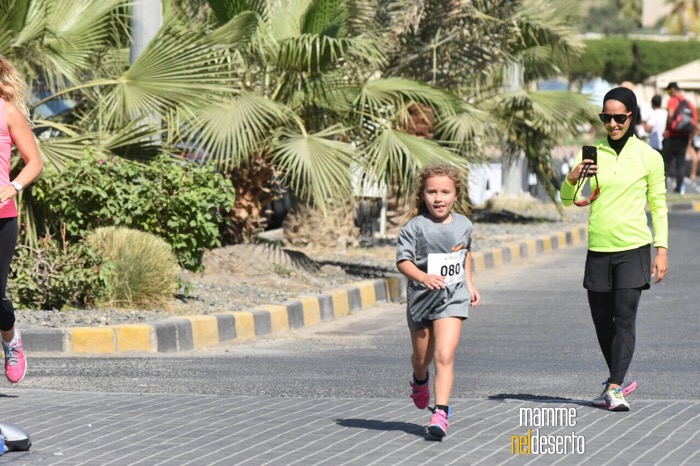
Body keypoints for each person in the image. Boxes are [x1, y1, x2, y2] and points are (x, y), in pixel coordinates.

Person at [560, 87, 668, 412]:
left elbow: (659, 206)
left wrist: (661, 249)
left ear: (631, 116)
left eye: (618, 117)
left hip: (634, 247)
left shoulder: (649, 156)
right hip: (599, 247)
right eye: (606, 117)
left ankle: (615, 386)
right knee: (600, 320)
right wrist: (573, 176)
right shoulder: (593, 154)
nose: (612, 123)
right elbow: (569, 199)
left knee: (625, 318)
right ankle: (616, 377)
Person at [396, 164, 480, 439]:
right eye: (432, 191)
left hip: (452, 299)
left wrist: (469, 283)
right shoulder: (415, 227)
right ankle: (420, 379)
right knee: (423, 358)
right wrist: (422, 276)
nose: (438, 198)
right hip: (421, 301)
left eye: (445, 192)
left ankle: (441, 413)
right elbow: (403, 261)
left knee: (444, 355)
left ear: (456, 195)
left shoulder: (464, 224)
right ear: (422, 194)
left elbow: (464, 253)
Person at [0, 55, 43, 384]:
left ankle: (11, 339)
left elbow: (34, 162)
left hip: (1, 218)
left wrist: (12, 187)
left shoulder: (8, 112)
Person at [663, 82, 697, 193]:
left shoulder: (672, 101)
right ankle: (679, 188)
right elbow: (694, 122)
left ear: (672, 90)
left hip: (672, 136)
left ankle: (663, 187)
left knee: (666, 163)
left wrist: (667, 129)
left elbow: (671, 115)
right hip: (684, 137)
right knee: (680, 163)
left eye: (668, 92)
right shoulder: (689, 104)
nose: (668, 94)